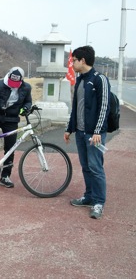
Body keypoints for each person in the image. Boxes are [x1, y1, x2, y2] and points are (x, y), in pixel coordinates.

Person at [64, 45, 110, 219]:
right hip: (81, 133)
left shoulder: (100, 79)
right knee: (85, 166)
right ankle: (89, 196)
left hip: (94, 134)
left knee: (96, 167)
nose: (72, 63)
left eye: (74, 60)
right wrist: (69, 129)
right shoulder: (81, 80)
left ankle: (99, 202)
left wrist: (98, 130)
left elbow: (103, 107)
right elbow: (76, 107)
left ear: (82, 60)